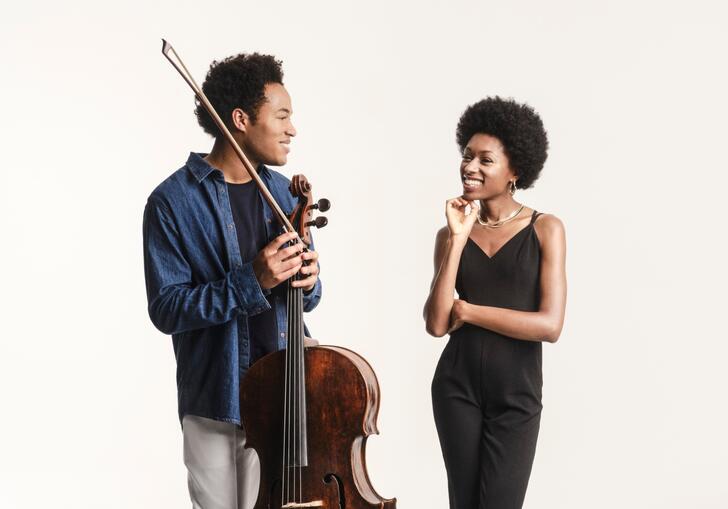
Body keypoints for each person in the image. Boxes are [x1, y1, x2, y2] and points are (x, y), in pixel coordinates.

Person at [143, 52, 322, 509]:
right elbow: (167, 308)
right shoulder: (171, 201)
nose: (292, 129)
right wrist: (251, 281)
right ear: (241, 119)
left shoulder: (285, 194)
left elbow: (310, 298)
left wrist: (309, 280)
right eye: (281, 116)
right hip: (216, 398)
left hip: (284, 392)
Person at [424, 96, 567, 508]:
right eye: (467, 156)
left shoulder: (546, 229)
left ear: (514, 171)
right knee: (463, 503)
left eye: (486, 160)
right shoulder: (449, 234)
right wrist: (457, 238)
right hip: (456, 387)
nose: (470, 167)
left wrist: (468, 311)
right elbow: (436, 324)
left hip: (517, 393)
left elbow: (550, 325)